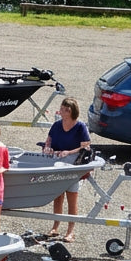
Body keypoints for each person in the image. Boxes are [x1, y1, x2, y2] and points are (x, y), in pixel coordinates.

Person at [43, 97, 91, 243]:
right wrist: (48, 148)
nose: (62, 111)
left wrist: (69, 152)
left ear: (71, 112)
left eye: (66, 110)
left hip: (73, 166)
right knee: (58, 197)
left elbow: (86, 146)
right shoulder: (57, 125)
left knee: (72, 197)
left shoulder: (80, 126)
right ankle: (55, 226)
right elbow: (48, 141)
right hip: (57, 165)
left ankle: (70, 231)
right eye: (62, 108)